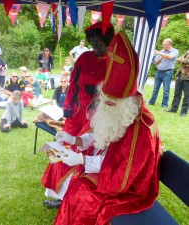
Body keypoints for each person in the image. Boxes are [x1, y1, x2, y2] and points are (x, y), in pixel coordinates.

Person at [53, 31, 162, 225]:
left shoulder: (142, 128)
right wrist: (75, 140)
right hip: (105, 169)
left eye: (112, 103)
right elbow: (100, 135)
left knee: (81, 193)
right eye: (106, 100)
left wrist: (82, 158)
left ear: (127, 101)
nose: (107, 105)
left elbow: (124, 172)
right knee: (67, 170)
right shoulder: (116, 111)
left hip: (128, 186)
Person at [41, 22, 115, 209]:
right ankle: (57, 193)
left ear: (108, 41)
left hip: (97, 117)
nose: (95, 47)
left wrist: (99, 91)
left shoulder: (114, 61)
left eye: (98, 43)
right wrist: (67, 107)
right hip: (77, 112)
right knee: (61, 150)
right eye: (92, 42)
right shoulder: (84, 57)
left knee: (79, 155)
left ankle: (70, 196)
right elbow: (73, 82)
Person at [148, 38, 179, 108]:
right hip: (159, 72)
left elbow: (170, 57)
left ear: (169, 44)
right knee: (155, 88)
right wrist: (160, 58)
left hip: (167, 73)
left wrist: (159, 53)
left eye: (163, 45)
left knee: (166, 90)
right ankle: (152, 102)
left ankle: (164, 104)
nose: (162, 46)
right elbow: (156, 62)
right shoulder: (162, 51)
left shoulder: (175, 51)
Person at [165, 50, 189, 117]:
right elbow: (179, 59)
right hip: (180, 74)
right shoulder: (187, 51)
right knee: (177, 93)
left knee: (187, 96)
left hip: (187, 77)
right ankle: (174, 108)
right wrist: (182, 60)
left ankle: (184, 112)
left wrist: (183, 60)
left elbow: (183, 60)